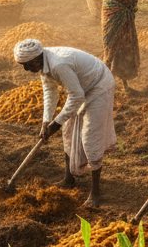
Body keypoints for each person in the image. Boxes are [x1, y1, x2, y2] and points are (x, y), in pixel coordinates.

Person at [13, 39, 116, 208]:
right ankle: (69, 178)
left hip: (99, 85)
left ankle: (96, 192)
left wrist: (56, 122)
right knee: (68, 132)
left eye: (27, 65)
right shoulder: (43, 64)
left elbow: (76, 96)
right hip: (81, 88)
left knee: (90, 137)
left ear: (37, 59)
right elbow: (49, 90)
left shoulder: (58, 64)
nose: (26, 69)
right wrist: (46, 121)